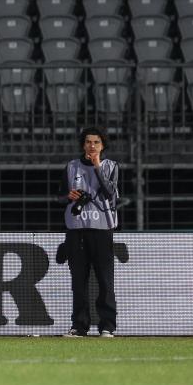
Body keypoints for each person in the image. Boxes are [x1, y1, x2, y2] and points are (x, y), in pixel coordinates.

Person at [62, 127, 120, 338]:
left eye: (96, 142)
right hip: (77, 230)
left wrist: (96, 167)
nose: (92, 146)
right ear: (82, 144)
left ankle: (107, 326)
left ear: (102, 145)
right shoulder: (71, 167)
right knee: (78, 282)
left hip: (102, 230)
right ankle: (79, 325)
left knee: (105, 281)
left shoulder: (111, 166)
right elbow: (59, 197)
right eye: (88, 142)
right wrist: (69, 196)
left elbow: (109, 192)